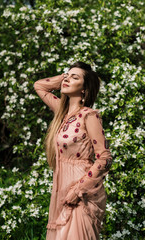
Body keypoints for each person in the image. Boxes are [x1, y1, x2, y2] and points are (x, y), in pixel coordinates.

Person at [34, 61, 113, 240]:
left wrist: (79, 190)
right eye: (66, 76)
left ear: (84, 88)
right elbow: (39, 86)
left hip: (81, 192)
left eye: (74, 77)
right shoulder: (62, 114)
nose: (67, 79)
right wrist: (65, 77)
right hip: (61, 188)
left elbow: (105, 158)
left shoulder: (89, 115)